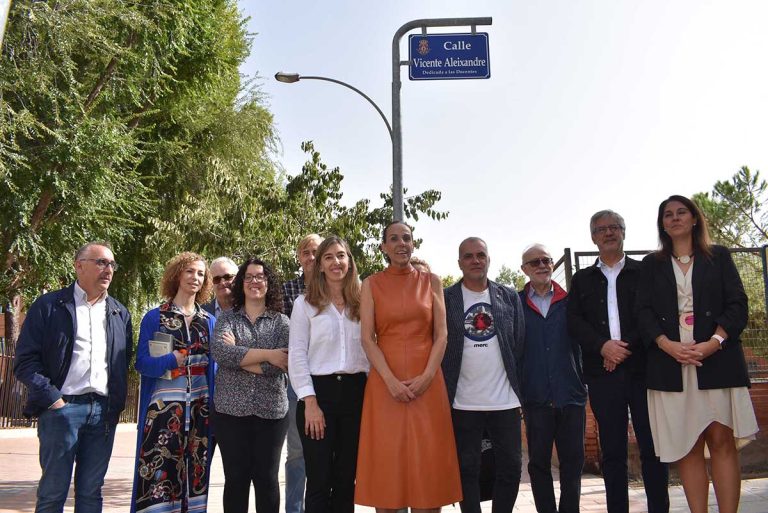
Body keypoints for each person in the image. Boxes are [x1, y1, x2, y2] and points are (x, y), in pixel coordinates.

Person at [637, 195, 758, 513]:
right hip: (669, 363)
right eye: (667, 215)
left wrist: (714, 342)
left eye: (681, 212)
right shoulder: (652, 264)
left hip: (717, 359)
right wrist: (667, 344)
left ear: (694, 219)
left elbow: (737, 304)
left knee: (721, 441)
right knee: (687, 447)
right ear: (662, 224)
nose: (674, 218)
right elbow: (643, 312)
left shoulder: (718, 256)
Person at [14, 242, 132, 513]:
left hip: (102, 412)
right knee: (53, 492)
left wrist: (114, 404)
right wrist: (54, 400)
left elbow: (120, 361)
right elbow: (25, 361)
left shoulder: (118, 312)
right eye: (101, 262)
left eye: (112, 264)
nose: (108, 269)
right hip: (62, 410)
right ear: (79, 265)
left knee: (91, 492)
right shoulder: (50, 306)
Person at [567, 210, 669, 513]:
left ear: (624, 232)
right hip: (602, 375)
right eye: (601, 229)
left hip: (643, 372)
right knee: (612, 452)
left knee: (653, 448)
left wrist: (621, 349)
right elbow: (574, 321)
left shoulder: (645, 271)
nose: (608, 233)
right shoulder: (582, 279)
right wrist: (603, 347)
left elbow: (652, 315)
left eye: (614, 227)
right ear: (593, 237)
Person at [355, 221, 461, 512]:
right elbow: (367, 338)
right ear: (384, 247)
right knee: (387, 466)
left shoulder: (432, 281)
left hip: (428, 382)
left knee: (429, 466)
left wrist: (428, 376)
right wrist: (388, 380)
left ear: (413, 244)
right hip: (384, 384)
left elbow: (442, 335)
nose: (401, 243)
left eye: (406, 238)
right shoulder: (370, 284)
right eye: (394, 239)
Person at [443, 237, 524, 513]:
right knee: (467, 469)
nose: (475, 260)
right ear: (459, 263)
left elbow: (519, 342)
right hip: (463, 401)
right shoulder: (446, 298)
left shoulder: (508, 295)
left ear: (489, 259)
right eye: (468, 256)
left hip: (505, 400)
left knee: (511, 468)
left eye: (480, 255)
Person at [288, 236, 370, 513]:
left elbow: (373, 349)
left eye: (341, 255)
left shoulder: (364, 302)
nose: (336, 262)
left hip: (357, 394)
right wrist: (309, 402)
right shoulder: (304, 304)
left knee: (347, 479)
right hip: (318, 396)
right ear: (320, 265)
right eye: (329, 257)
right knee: (319, 480)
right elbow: (297, 355)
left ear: (350, 261)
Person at [132, 252, 216, 513]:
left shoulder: (209, 321)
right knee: (159, 474)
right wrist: (171, 359)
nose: (196, 278)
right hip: (162, 413)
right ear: (177, 274)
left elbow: (215, 369)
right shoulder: (154, 317)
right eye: (190, 271)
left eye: (201, 273)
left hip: (201, 412)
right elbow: (142, 364)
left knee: (196, 477)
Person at [211, 257, 290, 513]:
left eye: (260, 276)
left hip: (271, 413)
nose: (255, 281)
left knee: (267, 480)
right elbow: (222, 354)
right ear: (241, 283)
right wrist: (268, 353)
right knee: (236, 480)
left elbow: (282, 363)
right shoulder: (227, 319)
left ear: (269, 283)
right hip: (230, 413)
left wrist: (240, 355)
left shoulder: (282, 322)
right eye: (249, 277)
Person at [519, 243, 586, 513]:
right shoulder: (515, 304)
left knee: (573, 464)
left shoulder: (571, 303)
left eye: (546, 260)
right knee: (538, 464)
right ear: (524, 269)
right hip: (535, 398)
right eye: (534, 262)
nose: (542, 266)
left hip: (570, 395)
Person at [283, 233, 323, 513]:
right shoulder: (288, 291)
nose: (311, 256)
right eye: (305, 252)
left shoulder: (338, 289)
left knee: (328, 452)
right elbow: (288, 340)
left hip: (331, 380)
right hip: (296, 381)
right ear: (299, 257)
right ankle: (295, 509)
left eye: (316, 251)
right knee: (297, 453)